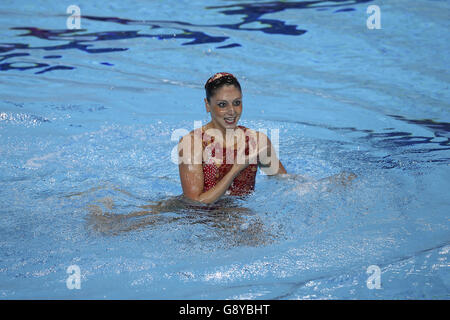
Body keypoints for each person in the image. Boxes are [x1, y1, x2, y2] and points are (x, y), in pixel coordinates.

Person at [178, 72, 287, 204]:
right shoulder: (193, 143)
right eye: (222, 105)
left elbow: (285, 182)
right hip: (197, 218)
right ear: (207, 105)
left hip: (238, 216)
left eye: (237, 103)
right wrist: (235, 169)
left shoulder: (257, 142)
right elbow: (195, 202)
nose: (232, 111)